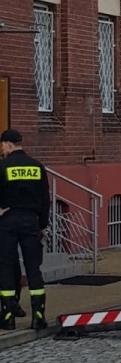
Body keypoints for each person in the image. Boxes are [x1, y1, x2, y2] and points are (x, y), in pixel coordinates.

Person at [0, 129, 50, 331]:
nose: (2, 149)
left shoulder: (2, 166)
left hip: (7, 221)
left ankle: (8, 316)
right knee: (33, 269)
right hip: (31, 222)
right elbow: (45, 200)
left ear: (9, 145)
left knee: (5, 266)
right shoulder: (37, 166)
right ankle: (38, 316)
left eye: (2, 145)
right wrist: (42, 225)